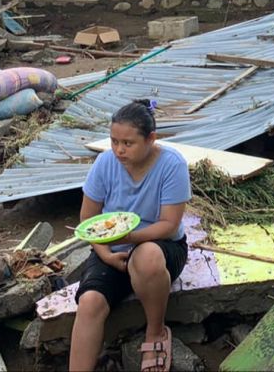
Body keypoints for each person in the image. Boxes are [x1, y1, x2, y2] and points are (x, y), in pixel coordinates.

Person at [70, 100, 191, 372]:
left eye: (128, 143)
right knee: (89, 302)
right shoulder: (105, 162)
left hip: (161, 246)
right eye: (114, 141)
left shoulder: (172, 165)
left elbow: (169, 224)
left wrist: (128, 237)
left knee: (146, 258)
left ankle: (155, 332)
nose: (119, 150)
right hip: (111, 247)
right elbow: (88, 220)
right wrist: (105, 253)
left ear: (151, 139)